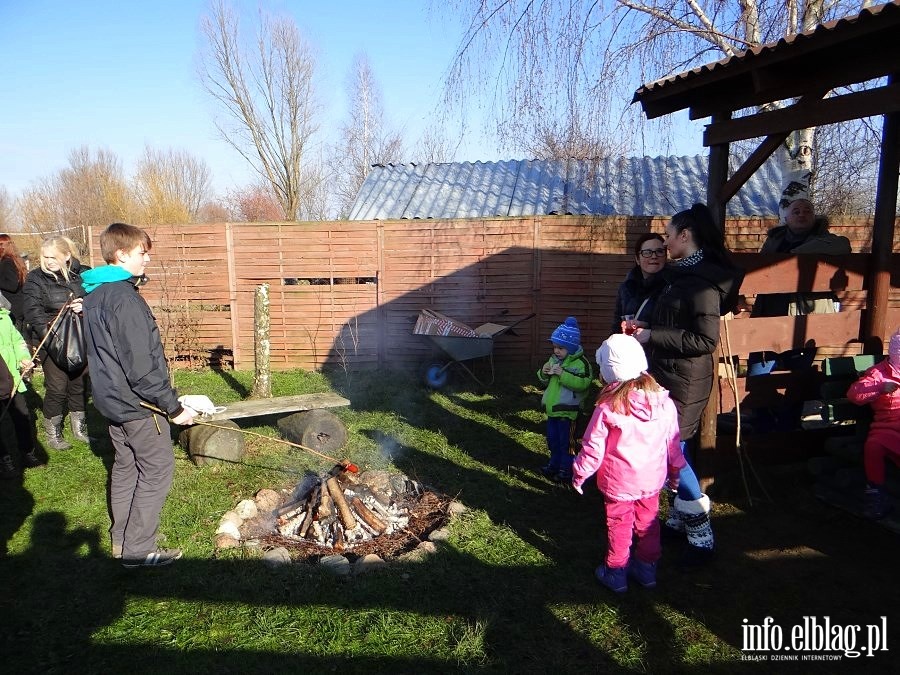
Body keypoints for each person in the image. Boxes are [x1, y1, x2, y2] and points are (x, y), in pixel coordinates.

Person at [632, 203, 744, 563]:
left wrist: (652, 336)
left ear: (685, 236)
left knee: (671, 455)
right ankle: (679, 522)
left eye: (668, 234)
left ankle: (702, 536)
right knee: (672, 454)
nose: (664, 241)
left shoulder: (703, 284)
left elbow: (704, 341)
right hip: (669, 376)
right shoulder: (681, 276)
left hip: (685, 382)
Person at [81, 223, 195, 568]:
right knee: (157, 469)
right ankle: (138, 549)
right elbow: (141, 367)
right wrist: (173, 408)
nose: (147, 259)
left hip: (110, 401)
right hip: (138, 404)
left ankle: (122, 541)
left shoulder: (95, 294)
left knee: (127, 467)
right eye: (142, 253)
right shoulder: (123, 299)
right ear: (121, 254)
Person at [572, 334, 684, 593]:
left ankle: (616, 572)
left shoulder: (608, 407)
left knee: (619, 525)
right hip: (652, 481)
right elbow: (673, 444)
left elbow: (592, 447)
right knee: (649, 523)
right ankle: (647, 570)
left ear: (609, 371)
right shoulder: (665, 403)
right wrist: (675, 474)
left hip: (619, 483)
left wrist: (579, 473)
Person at [22, 236, 91, 450]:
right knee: (57, 387)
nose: (48, 261)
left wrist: (85, 305)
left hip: (80, 336)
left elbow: (98, 298)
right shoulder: (35, 278)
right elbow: (32, 311)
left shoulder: (83, 274)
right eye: (45, 257)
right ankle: (53, 433)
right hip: (50, 338)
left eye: (53, 257)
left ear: (67, 255)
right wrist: (53, 340)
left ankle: (80, 429)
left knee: (79, 384)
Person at [753, 197, 851, 317]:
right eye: (796, 212)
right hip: (771, 304)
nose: (801, 215)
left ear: (814, 217)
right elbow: (759, 267)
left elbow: (843, 245)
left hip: (810, 307)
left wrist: (795, 253)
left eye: (807, 211)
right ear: (786, 219)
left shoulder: (825, 239)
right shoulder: (774, 240)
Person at [846, 330, 900, 520]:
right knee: (874, 446)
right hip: (886, 428)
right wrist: (879, 387)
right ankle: (875, 495)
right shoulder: (879, 373)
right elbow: (854, 394)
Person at [536, 316, 593, 483]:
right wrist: (543, 372)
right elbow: (544, 381)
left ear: (571, 347)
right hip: (553, 410)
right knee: (553, 441)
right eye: (554, 347)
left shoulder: (581, 364)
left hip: (569, 412)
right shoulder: (554, 360)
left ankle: (566, 470)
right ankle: (553, 464)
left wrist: (563, 374)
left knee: (567, 444)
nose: (556, 351)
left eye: (560, 348)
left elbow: (584, 383)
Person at [0, 293, 42, 478]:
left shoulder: (4, 318)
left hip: (11, 379)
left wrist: (23, 358)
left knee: (22, 416)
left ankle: (27, 452)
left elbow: (17, 341)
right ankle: (4, 459)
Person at [612, 233, 667, 335]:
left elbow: (675, 327)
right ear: (637, 259)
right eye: (647, 252)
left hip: (659, 348)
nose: (654, 256)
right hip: (630, 348)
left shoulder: (673, 286)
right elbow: (616, 324)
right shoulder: (626, 288)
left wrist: (647, 327)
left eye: (659, 251)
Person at [0, 233, 29, 339]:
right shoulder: (16, 260)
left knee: (16, 339)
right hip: (20, 305)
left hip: (13, 308)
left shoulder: (6, 262)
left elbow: (12, 285)